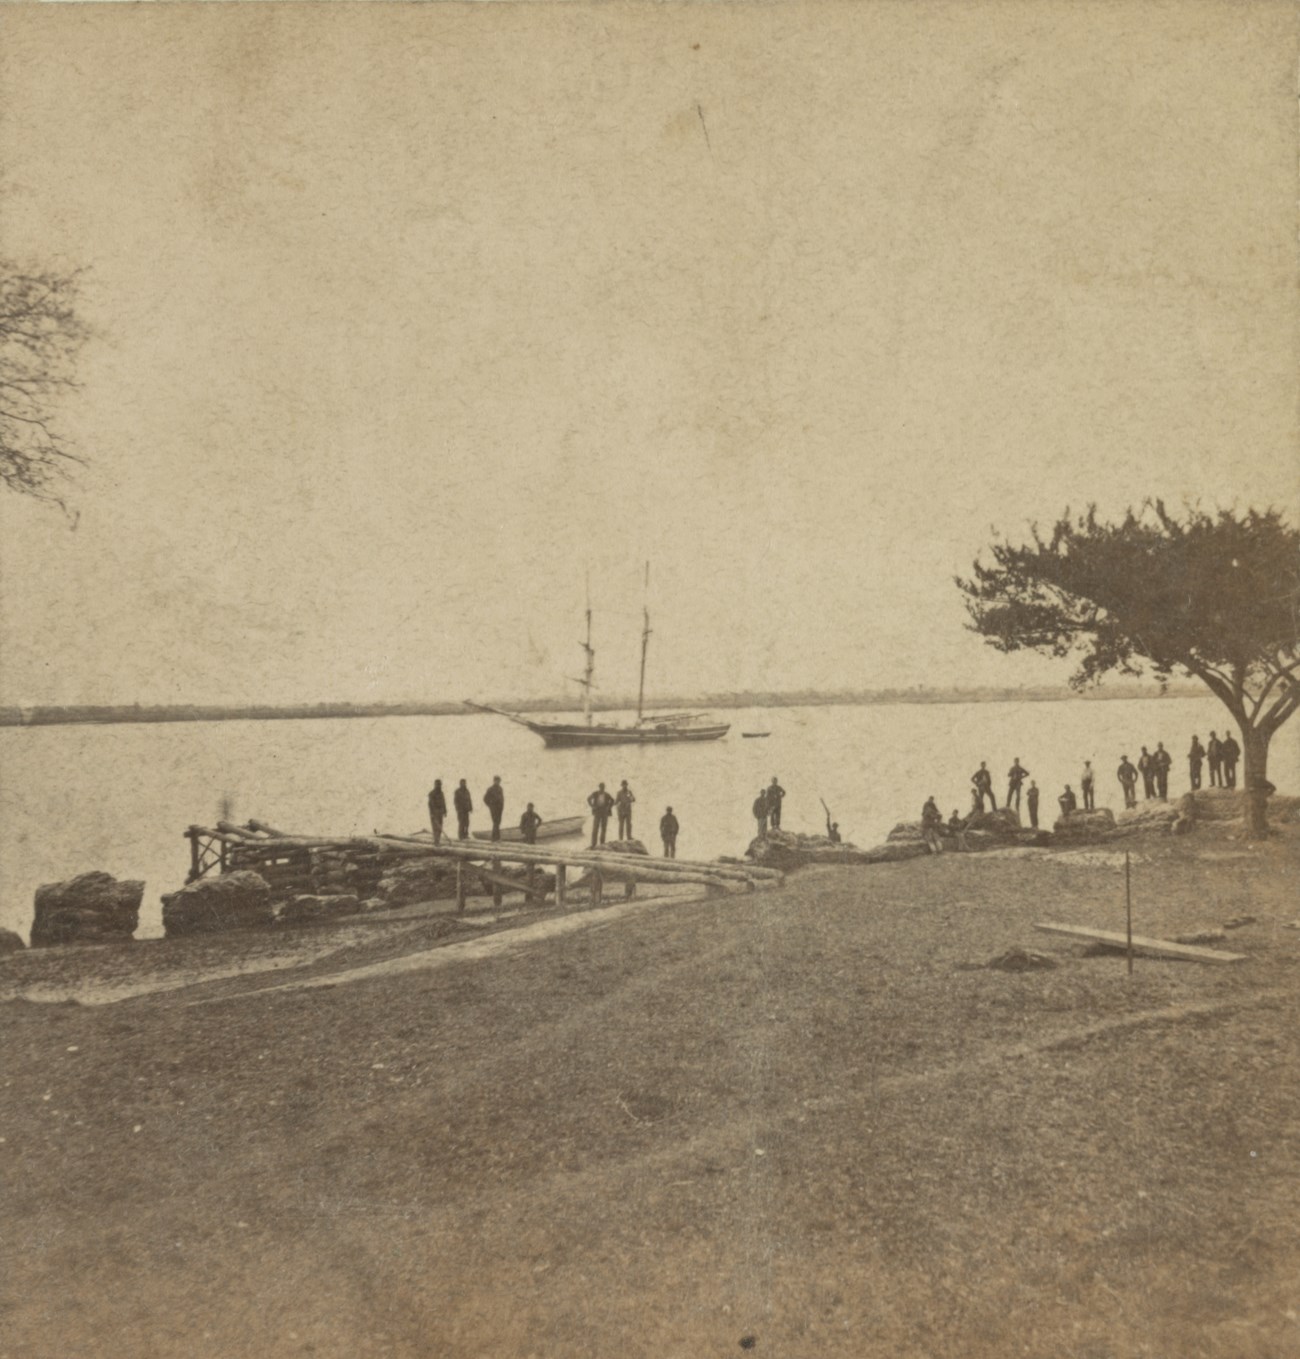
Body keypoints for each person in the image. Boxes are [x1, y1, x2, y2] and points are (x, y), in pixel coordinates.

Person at [587, 782, 615, 847]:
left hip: (604, 812)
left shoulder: (607, 794)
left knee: (603, 828)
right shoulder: (595, 794)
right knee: (595, 828)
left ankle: (602, 843)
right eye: (601, 787)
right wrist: (592, 806)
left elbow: (612, 800)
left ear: (604, 788)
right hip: (597, 812)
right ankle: (593, 843)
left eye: (603, 787)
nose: (602, 788)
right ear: (599, 787)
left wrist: (608, 807)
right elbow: (588, 799)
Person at [483, 775, 505, 841]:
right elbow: (485, 799)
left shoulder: (500, 789)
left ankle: (496, 837)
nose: (498, 782)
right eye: (497, 781)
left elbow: (502, 798)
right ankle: (495, 838)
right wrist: (490, 806)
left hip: (499, 808)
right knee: (496, 822)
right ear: (494, 781)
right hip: (494, 808)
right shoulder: (490, 789)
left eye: (499, 781)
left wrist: (502, 806)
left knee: (498, 822)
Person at [427, 779, 447, 845]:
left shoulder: (441, 793)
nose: (439, 786)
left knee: (440, 827)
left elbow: (444, 803)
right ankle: (436, 842)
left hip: (440, 812)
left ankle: (438, 840)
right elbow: (430, 805)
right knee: (435, 827)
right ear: (435, 785)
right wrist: (432, 814)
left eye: (440, 785)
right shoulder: (431, 794)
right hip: (435, 813)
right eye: (437, 784)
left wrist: (445, 811)